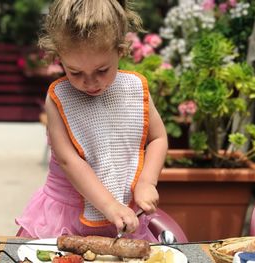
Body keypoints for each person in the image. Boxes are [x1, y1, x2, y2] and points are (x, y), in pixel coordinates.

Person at [15, 0, 168, 241]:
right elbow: (68, 160)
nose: (90, 82)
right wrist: (109, 205)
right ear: (59, 58)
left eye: (102, 70)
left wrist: (147, 182)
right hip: (65, 218)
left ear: (120, 50)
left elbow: (158, 138)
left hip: (123, 215)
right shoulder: (59, 98)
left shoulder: (135, 89)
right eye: (75, 72)